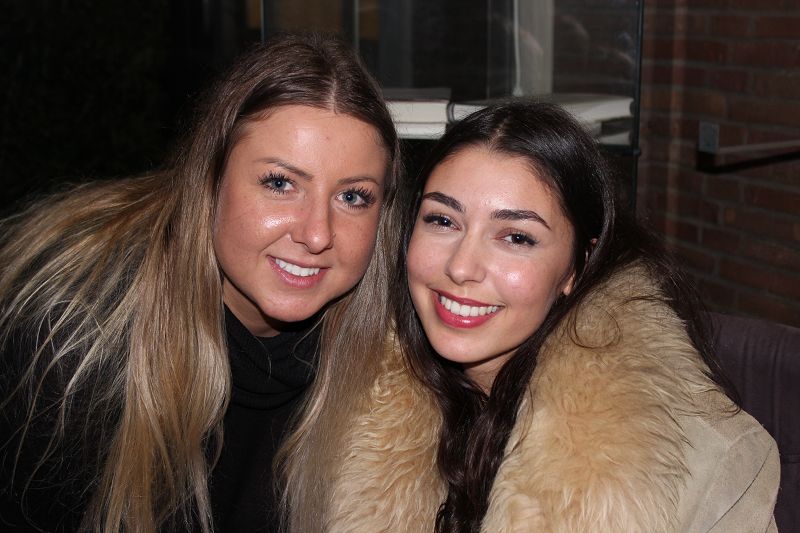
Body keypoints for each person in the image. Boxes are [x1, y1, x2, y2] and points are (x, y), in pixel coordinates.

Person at [307, 102, 780, 532]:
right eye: (443, 220)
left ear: (576, 267)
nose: (461, 267)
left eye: (516, 237)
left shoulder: (714, 461)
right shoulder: (342, 395)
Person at [0, 33, 401, 532]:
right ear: (210, 181)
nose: (317, 234)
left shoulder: (394, 367)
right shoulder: (76, 343)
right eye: (280, 183)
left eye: (353, 197)